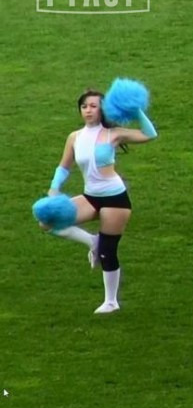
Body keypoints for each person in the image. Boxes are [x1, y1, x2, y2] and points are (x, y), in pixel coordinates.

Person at [40, 88, 158, 313]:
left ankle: (111, 301)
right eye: (84, 106)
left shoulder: (114, 134)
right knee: (47, 221)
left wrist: (136, 111)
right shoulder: (74, 137)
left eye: (93, 106)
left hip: (115, 199)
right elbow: (64, 166)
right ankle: (91, 241)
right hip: (90, 196)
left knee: (108, 251)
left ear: (102, 109)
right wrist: (54, 189)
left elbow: (150, 134)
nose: (88, 110)